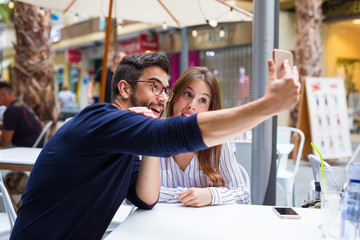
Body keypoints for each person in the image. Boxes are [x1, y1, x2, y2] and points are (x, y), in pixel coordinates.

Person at [11, 52, 300, 239]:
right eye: (154, 86)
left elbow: (146, 198)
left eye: (165, 89)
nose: (163, 98)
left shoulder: (123, 142)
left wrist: (147, 138)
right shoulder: (99, 119)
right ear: (124, 88)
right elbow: (172, 135)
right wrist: (267, 107)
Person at [158, 66, 250, 207]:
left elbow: (243, 195)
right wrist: (189, 196)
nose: (192, 106)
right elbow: (135, 192)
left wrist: (211, 195)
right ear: (174, 96)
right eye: (188, 94)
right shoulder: (154, 134)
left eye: (202, 100)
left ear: (210, 109)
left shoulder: (219, 141)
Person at [0, 81, 43, 148]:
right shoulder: (19, 104)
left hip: (24, 150)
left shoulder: (12, 111)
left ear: (3, 93)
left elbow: (4, 144)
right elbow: (11, 124)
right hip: (36, 145)